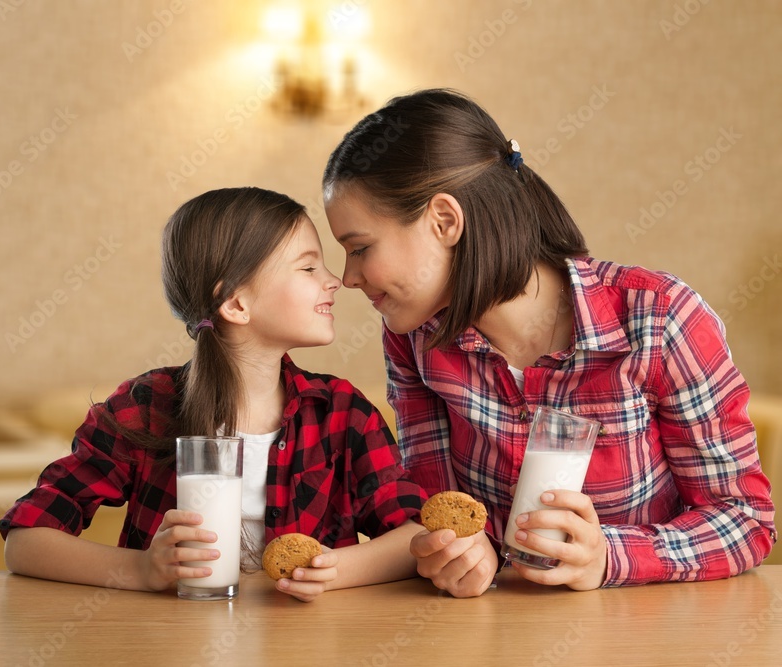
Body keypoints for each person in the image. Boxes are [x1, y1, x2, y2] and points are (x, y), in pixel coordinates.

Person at [322, 88, 776, 597]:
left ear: (444, 221)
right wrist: (459, 555)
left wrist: (609, 557)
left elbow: (745, 522)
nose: (348, 277)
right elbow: (438, 510)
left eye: (360, 248)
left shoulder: (659, 319)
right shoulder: (415, 339)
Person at [0, 187, 426, 602]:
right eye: (309, 268)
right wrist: (142, 570)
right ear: (236, 304)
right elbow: (26, 541)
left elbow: (416, 534)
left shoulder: (342, 413)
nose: (335, 281)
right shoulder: (146, 407)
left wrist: (331, 572)